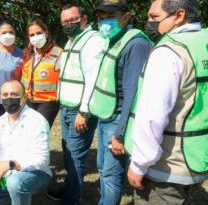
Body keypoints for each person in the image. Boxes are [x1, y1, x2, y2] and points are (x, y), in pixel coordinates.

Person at [124, 0, 208, 204]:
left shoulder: (168, 51)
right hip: (198, 157)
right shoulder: (203, 41)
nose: (149, 23)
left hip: (167, 167)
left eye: (155, 18)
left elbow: (153, 115)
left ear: (179, 15)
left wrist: (139, 165)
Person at [88, 0, 153, 204]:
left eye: (110, 16)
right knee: (103, 167)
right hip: (106, 116)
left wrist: (120, 134)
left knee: (111, 175)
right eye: (100, 17)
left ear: (126, 16)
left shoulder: (136, 44)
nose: (104, 21)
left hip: (117, 121)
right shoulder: (114, 38)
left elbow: (133, 93)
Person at [49, 4, 107, 203]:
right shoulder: (73, 40)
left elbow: (93, 79)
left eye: (72, 20)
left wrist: (84, 111)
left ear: (83, 19)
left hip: (79, 111)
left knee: (75, 157)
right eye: (64, 21)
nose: (68, 24)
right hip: (67, 107)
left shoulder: (93, 41)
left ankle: (71, 199)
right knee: (68, 152)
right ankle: (70, 189)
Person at [0, 80, 51, 205]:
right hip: (9, 173)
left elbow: (43, 160)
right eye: (5, 95)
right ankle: (15, 197)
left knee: (15, 182)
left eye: (14, 94)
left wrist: (12, 164)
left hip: (35, 173)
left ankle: (20, 195)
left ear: (24, 98)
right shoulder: (2, 120)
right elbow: (0, 150)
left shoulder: (37, 120)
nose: (9, 98)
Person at [14, 20, 62, 128]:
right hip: (28, 101)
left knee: (39, 131)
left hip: (47, 102)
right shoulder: (27, 54)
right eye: (32, 35)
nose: (36, 36)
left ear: (46, 33)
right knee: (27, 132)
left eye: (39, 33)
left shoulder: (58, 53)